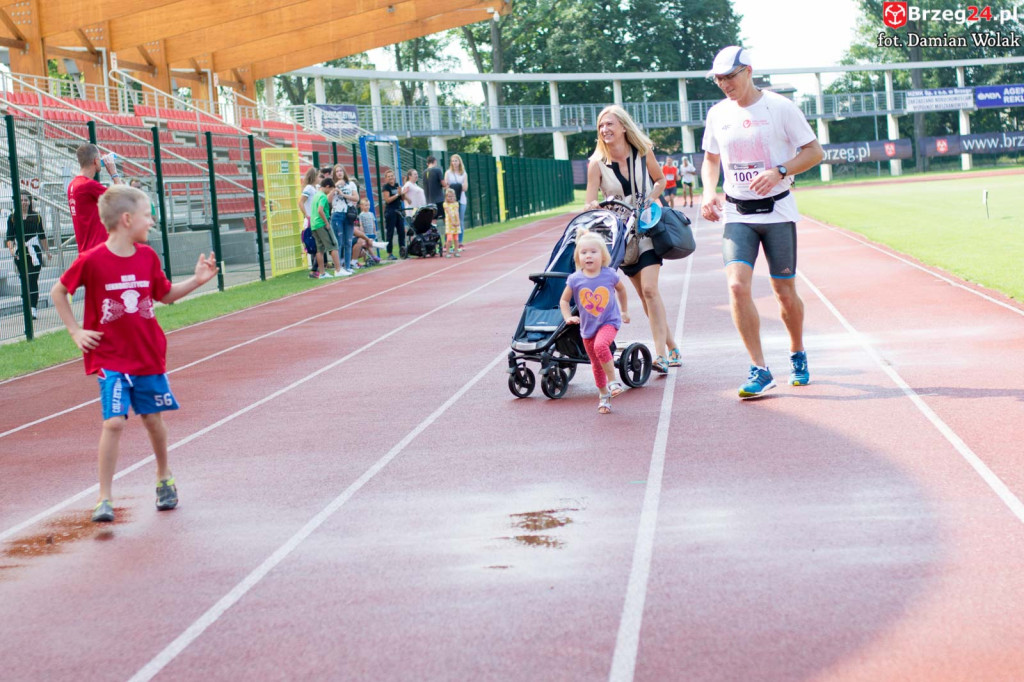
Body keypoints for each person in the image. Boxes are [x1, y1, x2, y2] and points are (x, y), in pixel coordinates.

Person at [50, 185, 218, 523]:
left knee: (153, 420)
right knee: (113, 422)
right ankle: (104, 498)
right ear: (127, 219)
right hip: (111, 359)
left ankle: (164, 477)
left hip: (146, 356)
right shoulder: (92, 260)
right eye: (147, 215)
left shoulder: (147, 257)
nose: (151, 221)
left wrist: (197, 281)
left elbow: (165, 295)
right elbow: (59, 291)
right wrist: (75, 330)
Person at [700, 45, 824, 399]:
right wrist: (709, 191)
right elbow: (710, 159)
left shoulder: (780, 107)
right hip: (737, 213)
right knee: (737, 287)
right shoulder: (717, 114)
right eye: (719, 79)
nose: (724, 84)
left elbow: (814, 152)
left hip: (778, 212)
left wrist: (780, 170)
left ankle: (797, 351)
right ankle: (760, 369)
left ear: (749, 71)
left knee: (784, 292)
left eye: (730, 76)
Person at [583, 105, 681, 374]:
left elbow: (659, 179)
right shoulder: (596, 165)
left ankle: (660, 355)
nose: (605, 129)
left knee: (650, 290)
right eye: (601, 126)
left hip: (648, 229)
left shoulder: (642, 153)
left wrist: (652, 197)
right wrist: (594, 206)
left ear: (623, 127)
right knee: (643, 294)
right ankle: (672, 345)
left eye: (610, 124)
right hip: (621, 237)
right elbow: (589, 201)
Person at [559, 229, 630, 414]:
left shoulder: (609, 275)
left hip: (609, 322)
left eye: (593, 252)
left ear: (603, 255)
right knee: (595, 365)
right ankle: (603, 395)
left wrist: (624, 311)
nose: (588, 256)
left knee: (601, 346)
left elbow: (622, 290)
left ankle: (613, 382)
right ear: (578, 257)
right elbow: (564, 301)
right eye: (583, 253)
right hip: (587, 328)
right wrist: (568, 317)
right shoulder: (575, 279)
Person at [67, 144, 122, 253]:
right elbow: (122, 197)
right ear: (96, 161)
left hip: (86, 250)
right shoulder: (88, 185)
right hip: (97, 250)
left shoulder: (73, 184)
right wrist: (113, 172)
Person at [6, 194, 50, 319]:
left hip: (34, 251)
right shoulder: (13, 218)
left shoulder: (36, 216)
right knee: (25, 280)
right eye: (21, 200)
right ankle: (27, 306)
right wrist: (12, 250)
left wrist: (47, 251)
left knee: (32, 279)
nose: (24, 202)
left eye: (26, 200)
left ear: (30, 202)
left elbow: (42, 235)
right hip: (20, 252)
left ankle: (33, 308)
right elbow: (9, 237)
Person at [312, 178, 347, 278]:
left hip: (314, 225)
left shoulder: (316, 195)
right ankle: (338, 270)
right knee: (333, 245)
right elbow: (320, 210)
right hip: (322, 224)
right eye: (331, 189)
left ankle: (322, 273)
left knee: (320, 249)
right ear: (327, 187)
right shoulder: (322, 196)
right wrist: (326, 223)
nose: (331, 191)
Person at [330, 165, 358, 272]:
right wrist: (335, 186)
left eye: (341, 170)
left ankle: (347, 266)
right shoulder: (332, 185)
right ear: (334, 173)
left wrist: (344, 195)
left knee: (348, 241)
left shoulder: (350, 184)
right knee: (339, 242)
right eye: (337, 171)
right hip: (337, 214)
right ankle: (339, 267)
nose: (339, 173)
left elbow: (356, 197)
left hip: (348, 214)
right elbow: (328, 199)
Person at [444, 154, 469, 250]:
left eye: (456, 161)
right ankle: (448, 242)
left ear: (459, 162)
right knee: (449, 220)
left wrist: (454, 185)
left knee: (460, 221)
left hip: (461, 200)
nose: (454, 163)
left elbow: (465, 188)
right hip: (450, 201)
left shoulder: (464, 174)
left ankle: (460, 242)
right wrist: (458, 186)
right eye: (453, 161)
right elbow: (446, 186)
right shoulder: (448, 173)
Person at [381, 169, 406, 260]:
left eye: (392, 176)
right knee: (390, 233)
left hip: (399, 211)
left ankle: (402, 250)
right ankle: (389, 253)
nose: (391, 177)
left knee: (401, 232)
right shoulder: (386, 187)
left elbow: (402, 199)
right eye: (389, 176)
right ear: (386, 178)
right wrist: (397, 195)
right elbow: (387, 200)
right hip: (390, 211)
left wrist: (402, 193)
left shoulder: (397, 186)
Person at [299, 167, 320, 274]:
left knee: (319, 244)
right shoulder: (308, 188)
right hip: (311, 220)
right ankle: (314, 270)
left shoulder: (314, 188)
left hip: (316, 219)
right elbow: (301, 202)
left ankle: (316, 269)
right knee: (315, 245)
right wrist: (307, 215)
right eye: (318, 176)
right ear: (314, 177)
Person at [355, 198, 385, 265]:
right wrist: (362, 232)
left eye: (368, 205)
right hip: (365, 233)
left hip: (371, 232)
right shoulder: (361, 215)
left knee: (370, 245)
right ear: (361, 206)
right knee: (367, 245)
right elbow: (361, 224)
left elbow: (373, 223)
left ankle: (371, 257)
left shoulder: (371, 214)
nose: (367, 207)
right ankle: (368, 258)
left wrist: (374, 231)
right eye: (366, 205)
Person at [423, 155, 446, 228]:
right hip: (438, 199)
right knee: (444, 216)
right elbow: (443, 183)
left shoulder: (424, 172)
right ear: (435, 161)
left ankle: (433, 234)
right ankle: (450, 234)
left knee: (433, 219)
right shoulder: (437, 170)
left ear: (427, 163)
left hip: (429, 200)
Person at [442, 188, 460, 258]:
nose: (451, 198)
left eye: (452, 196)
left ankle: (456, 251)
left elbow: (456, 213)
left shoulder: (456, 204)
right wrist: (452, 222)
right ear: (446, 197)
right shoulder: (445, 204)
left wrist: (458, 221)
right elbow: (449, 213)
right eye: (449, 196)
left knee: (456, 238)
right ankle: (447, 252)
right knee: (449, 238)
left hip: (455, 223)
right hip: (449, 224)